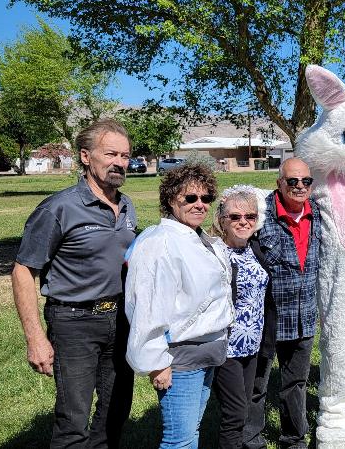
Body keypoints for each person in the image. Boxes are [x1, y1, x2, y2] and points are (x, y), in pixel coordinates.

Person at [12, 118, 136, 448]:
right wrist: (35, 337)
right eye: (111, 154)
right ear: (85, 156)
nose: (120, 163)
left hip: (121, 320)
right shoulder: (59, 207)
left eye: (125, 156)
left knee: (115, 411)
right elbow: (23, 270)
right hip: (74, 323)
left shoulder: (127, 206)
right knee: (73, 420)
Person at [124, 163, 235, 448]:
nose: (200, 205)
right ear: (171, 199)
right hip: (180, 357)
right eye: (190, 198)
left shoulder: (199, 239)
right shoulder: (159, 242)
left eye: (206, 198)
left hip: (208, 350)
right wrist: (156, 363)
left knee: (192, 431)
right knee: (179, 440)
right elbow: (146, 305)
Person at [244, 158, 321, 449]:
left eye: (306, 181)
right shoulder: (259, 215)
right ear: (279, 183)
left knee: (296, 383)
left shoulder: (319, 215)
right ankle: (250, 440)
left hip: (304, 316)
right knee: (256, 384)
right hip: (266, 317)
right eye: (292, 181)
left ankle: (293, 439)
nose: (300, 187)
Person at [211, 185, 269, 449]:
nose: (243, 222)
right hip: (227, 346)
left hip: (252, 344)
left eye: (250, 216)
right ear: (222, 219)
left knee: (243, 409)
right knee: (234, 413)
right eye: (235, 216)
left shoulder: (253, 248)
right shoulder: (215, 253)